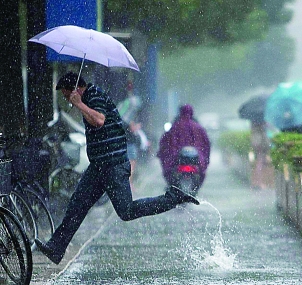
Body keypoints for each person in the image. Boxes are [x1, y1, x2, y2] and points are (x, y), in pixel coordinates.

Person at [35, 72, 199, 265]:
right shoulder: (88, 99)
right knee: (77, 206)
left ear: (76, 89)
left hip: (113, 166)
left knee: (126, 211)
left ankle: (172, 198)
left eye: (66, 95)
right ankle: (56, 248)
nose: (67, 100)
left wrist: (79, 103)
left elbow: (99, 120)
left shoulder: (94, 95)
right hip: (99, 167)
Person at [157, 104, 211, 188]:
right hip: (195, 160)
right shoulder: (198, 127)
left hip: (175, 159)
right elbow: (206, 144)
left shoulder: (175, 126)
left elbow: (164, 142)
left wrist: (162, 153)